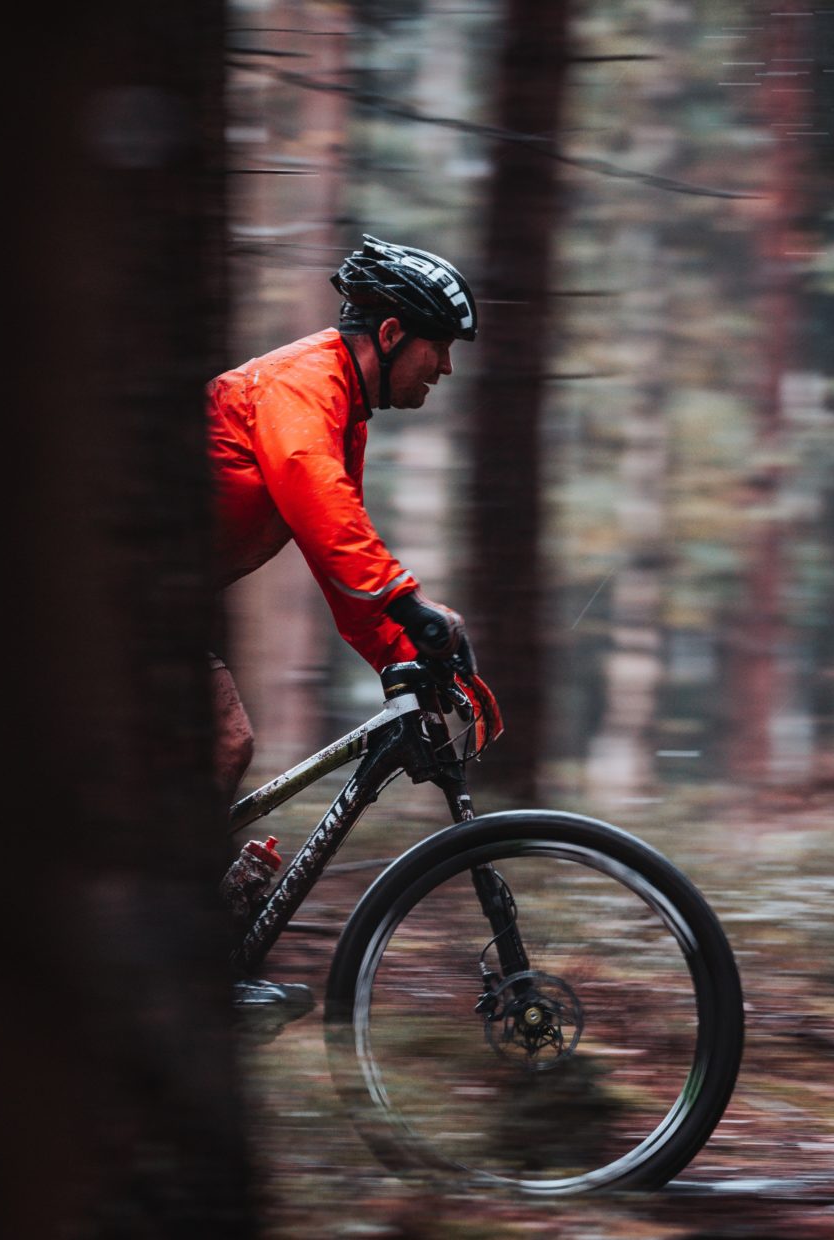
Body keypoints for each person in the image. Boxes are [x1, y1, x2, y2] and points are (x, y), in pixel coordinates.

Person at [210, 235, 479, 1020]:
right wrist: (410, 603)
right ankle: (177, 962)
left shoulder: (342, 410)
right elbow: (328, 517)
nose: (445, 368)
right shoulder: (303, 384)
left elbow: (343, 569)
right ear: (391, 335)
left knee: (218, 745)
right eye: (438, 346)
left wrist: (404, 656)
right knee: (221, 740)